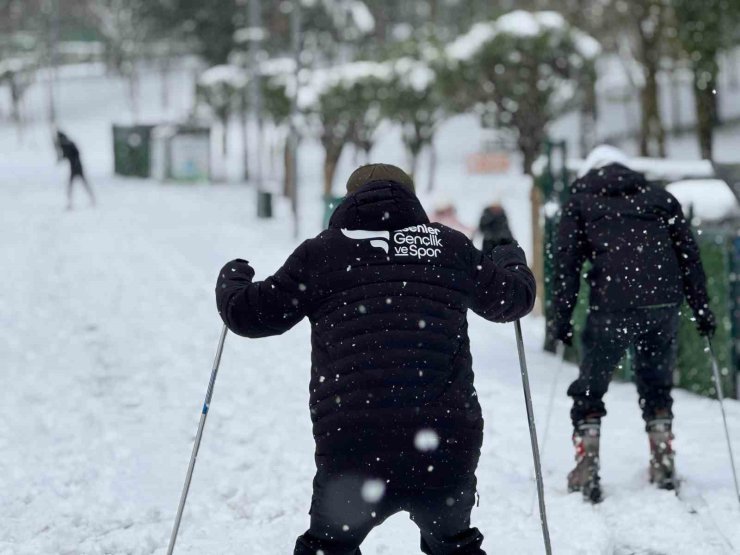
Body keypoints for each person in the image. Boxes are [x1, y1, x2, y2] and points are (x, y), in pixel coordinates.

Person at [216, 163, 535, 554]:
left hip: (354, 445)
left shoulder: (323, 253)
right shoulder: (448, 248)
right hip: (443, 444)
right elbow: (513, 299)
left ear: (350, 200)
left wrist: (233, 279)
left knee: (329, 548)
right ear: (411, 199)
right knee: (453, 547)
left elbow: (250, 315)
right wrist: (509, 257)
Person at [551, 145, 716, 502]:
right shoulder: (659, 198)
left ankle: (587, 465)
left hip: (613, 304)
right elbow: (689, 256)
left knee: (591, 386)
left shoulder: (580, 202)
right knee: (656, 381)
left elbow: (565, 266)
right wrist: (702, 309)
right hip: (662, 302)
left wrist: (560, 320)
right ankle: (662, 457)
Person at [55, 130, 95, 210]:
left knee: (76, 185)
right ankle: (73, 201)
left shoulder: (68, 144)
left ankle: (90, 199)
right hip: (75, 167)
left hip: (76, 167)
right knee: (79, 184)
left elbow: (72, 154)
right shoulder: (68, 144)